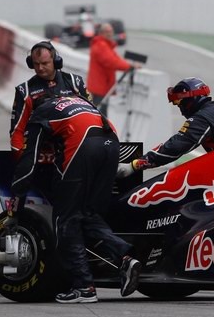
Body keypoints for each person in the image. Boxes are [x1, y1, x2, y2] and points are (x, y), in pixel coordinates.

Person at [11, 94, 140, 303]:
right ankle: (124, 258)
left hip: (84, 146)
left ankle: (84, 287)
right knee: (88, 214)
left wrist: (17, 195)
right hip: (113, 144)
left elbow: (29, 160)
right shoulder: (78, 101)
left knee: (65, 219)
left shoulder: (41, 112)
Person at [119, 78, 214, 174]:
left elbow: (175, 147)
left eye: (178, 103)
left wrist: (134, 165)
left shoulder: (202, 118)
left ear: (190, 100)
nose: (179, 108)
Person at [9, 40, 91, 157]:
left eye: (44, 63)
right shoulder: (24, 90)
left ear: (56, 61)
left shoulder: (75, 83)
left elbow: (91, 114)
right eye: (36, 64)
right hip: (39, 147)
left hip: (71, 145)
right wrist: (18, 156)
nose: (40, 68)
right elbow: (17, 130)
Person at [86, 23, 134, 114]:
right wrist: (129, 66)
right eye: (107, 32)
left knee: (100, 112)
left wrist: (128, 65)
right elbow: (112, 61)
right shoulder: (101, 45)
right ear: (101, 33)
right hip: (99, 86)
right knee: (100, 114)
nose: (110, 34)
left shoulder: (105, 45)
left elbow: (116, 59)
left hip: (101, 85)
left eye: (111, 31)